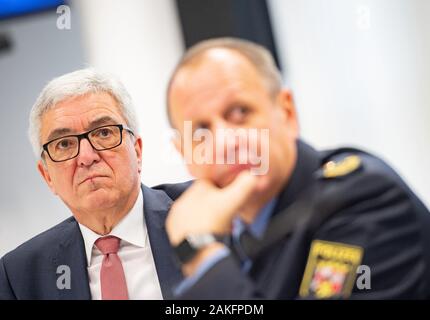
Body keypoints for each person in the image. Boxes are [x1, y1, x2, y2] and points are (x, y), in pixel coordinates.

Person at [165, 37, 430, 299]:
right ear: (185, 154)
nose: (225, 143)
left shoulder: (362, 199)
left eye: (240, 112)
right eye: (201, 131)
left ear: (287, 112)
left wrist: (201, 257)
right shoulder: (224, 232)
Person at [0, 69, 188, 300]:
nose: (87, 157)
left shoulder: (204, 212)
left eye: (104, 132)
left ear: (137, 151)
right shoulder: (20, 275)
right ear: (47, 176)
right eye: (64, 144)